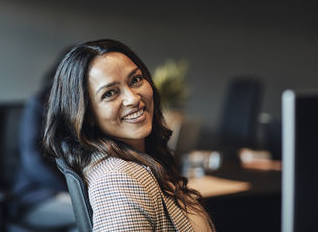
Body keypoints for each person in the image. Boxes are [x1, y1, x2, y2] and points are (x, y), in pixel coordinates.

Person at [43, 39, 215, 231]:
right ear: (88, 115)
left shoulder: (141, 160)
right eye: (109, 93)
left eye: (135, 80)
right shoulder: (118, 180)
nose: (133, 98)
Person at [12, 46, 76, 229]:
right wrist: (72, 190)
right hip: (37, 195)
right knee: (92, 214)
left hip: (71, 193)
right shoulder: (39, 104)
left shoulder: (81, 111)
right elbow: (33, 161)